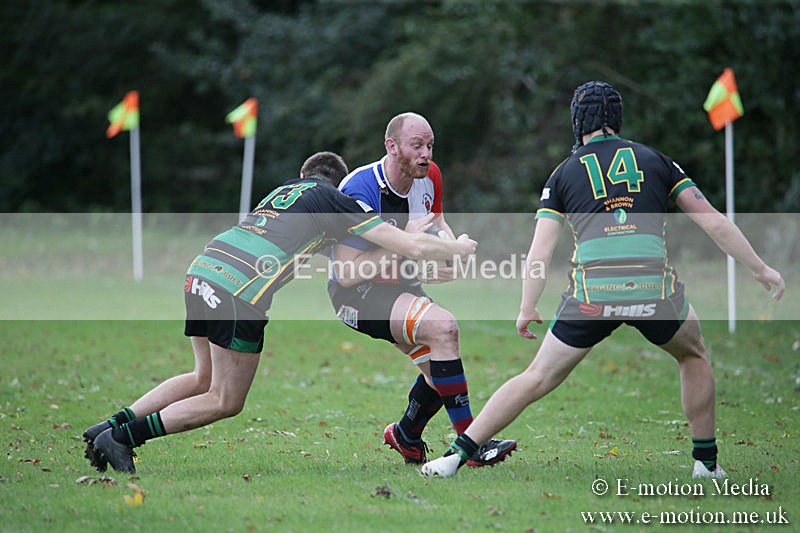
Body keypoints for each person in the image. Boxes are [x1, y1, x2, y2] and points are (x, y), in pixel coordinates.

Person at [421, 81, 785, 478]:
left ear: (577, 122)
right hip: (653, 290)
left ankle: (454, 458)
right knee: (693, 354)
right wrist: (759, 268)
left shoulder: (563, 174)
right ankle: (706, 464)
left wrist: (527, 306)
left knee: (538, 376)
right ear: (617, 119)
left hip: (592, 295)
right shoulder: (656, 160)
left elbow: (540, 251)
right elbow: (712, 220)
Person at [82, 151, 480, 474]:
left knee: (202, 376)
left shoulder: (282, 192)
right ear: (337, 182)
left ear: (304, 174)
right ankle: (123, 437)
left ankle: (109, 425)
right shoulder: (336, 200)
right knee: (225, 399)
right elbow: (402, 246)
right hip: (239, 289)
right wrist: (456, 248)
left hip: (203, 268)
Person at [327, 112, 516, 467]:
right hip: (356, 295)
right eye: (417, 145)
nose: (425, 154)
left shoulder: (430, 176)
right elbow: (349, 273)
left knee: (440, 368)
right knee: (443, 327)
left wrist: (448, 255)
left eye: (430, 145)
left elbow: (437, 225)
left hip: (400, 284)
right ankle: (472, 446)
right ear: (392, 146)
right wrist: (411, 243)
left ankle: (406, 435)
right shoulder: (359, 189)